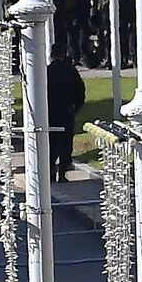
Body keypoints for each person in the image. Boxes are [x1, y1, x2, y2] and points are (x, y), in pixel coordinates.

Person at [47, 54, 87, 185]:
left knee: (51, 141)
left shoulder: (48, 71)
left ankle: (51, 169)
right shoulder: (71, 71)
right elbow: (80, 91)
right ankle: (63, 171)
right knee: (65, 141)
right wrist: (76, 108)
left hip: (51, 112)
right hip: (66, 111)